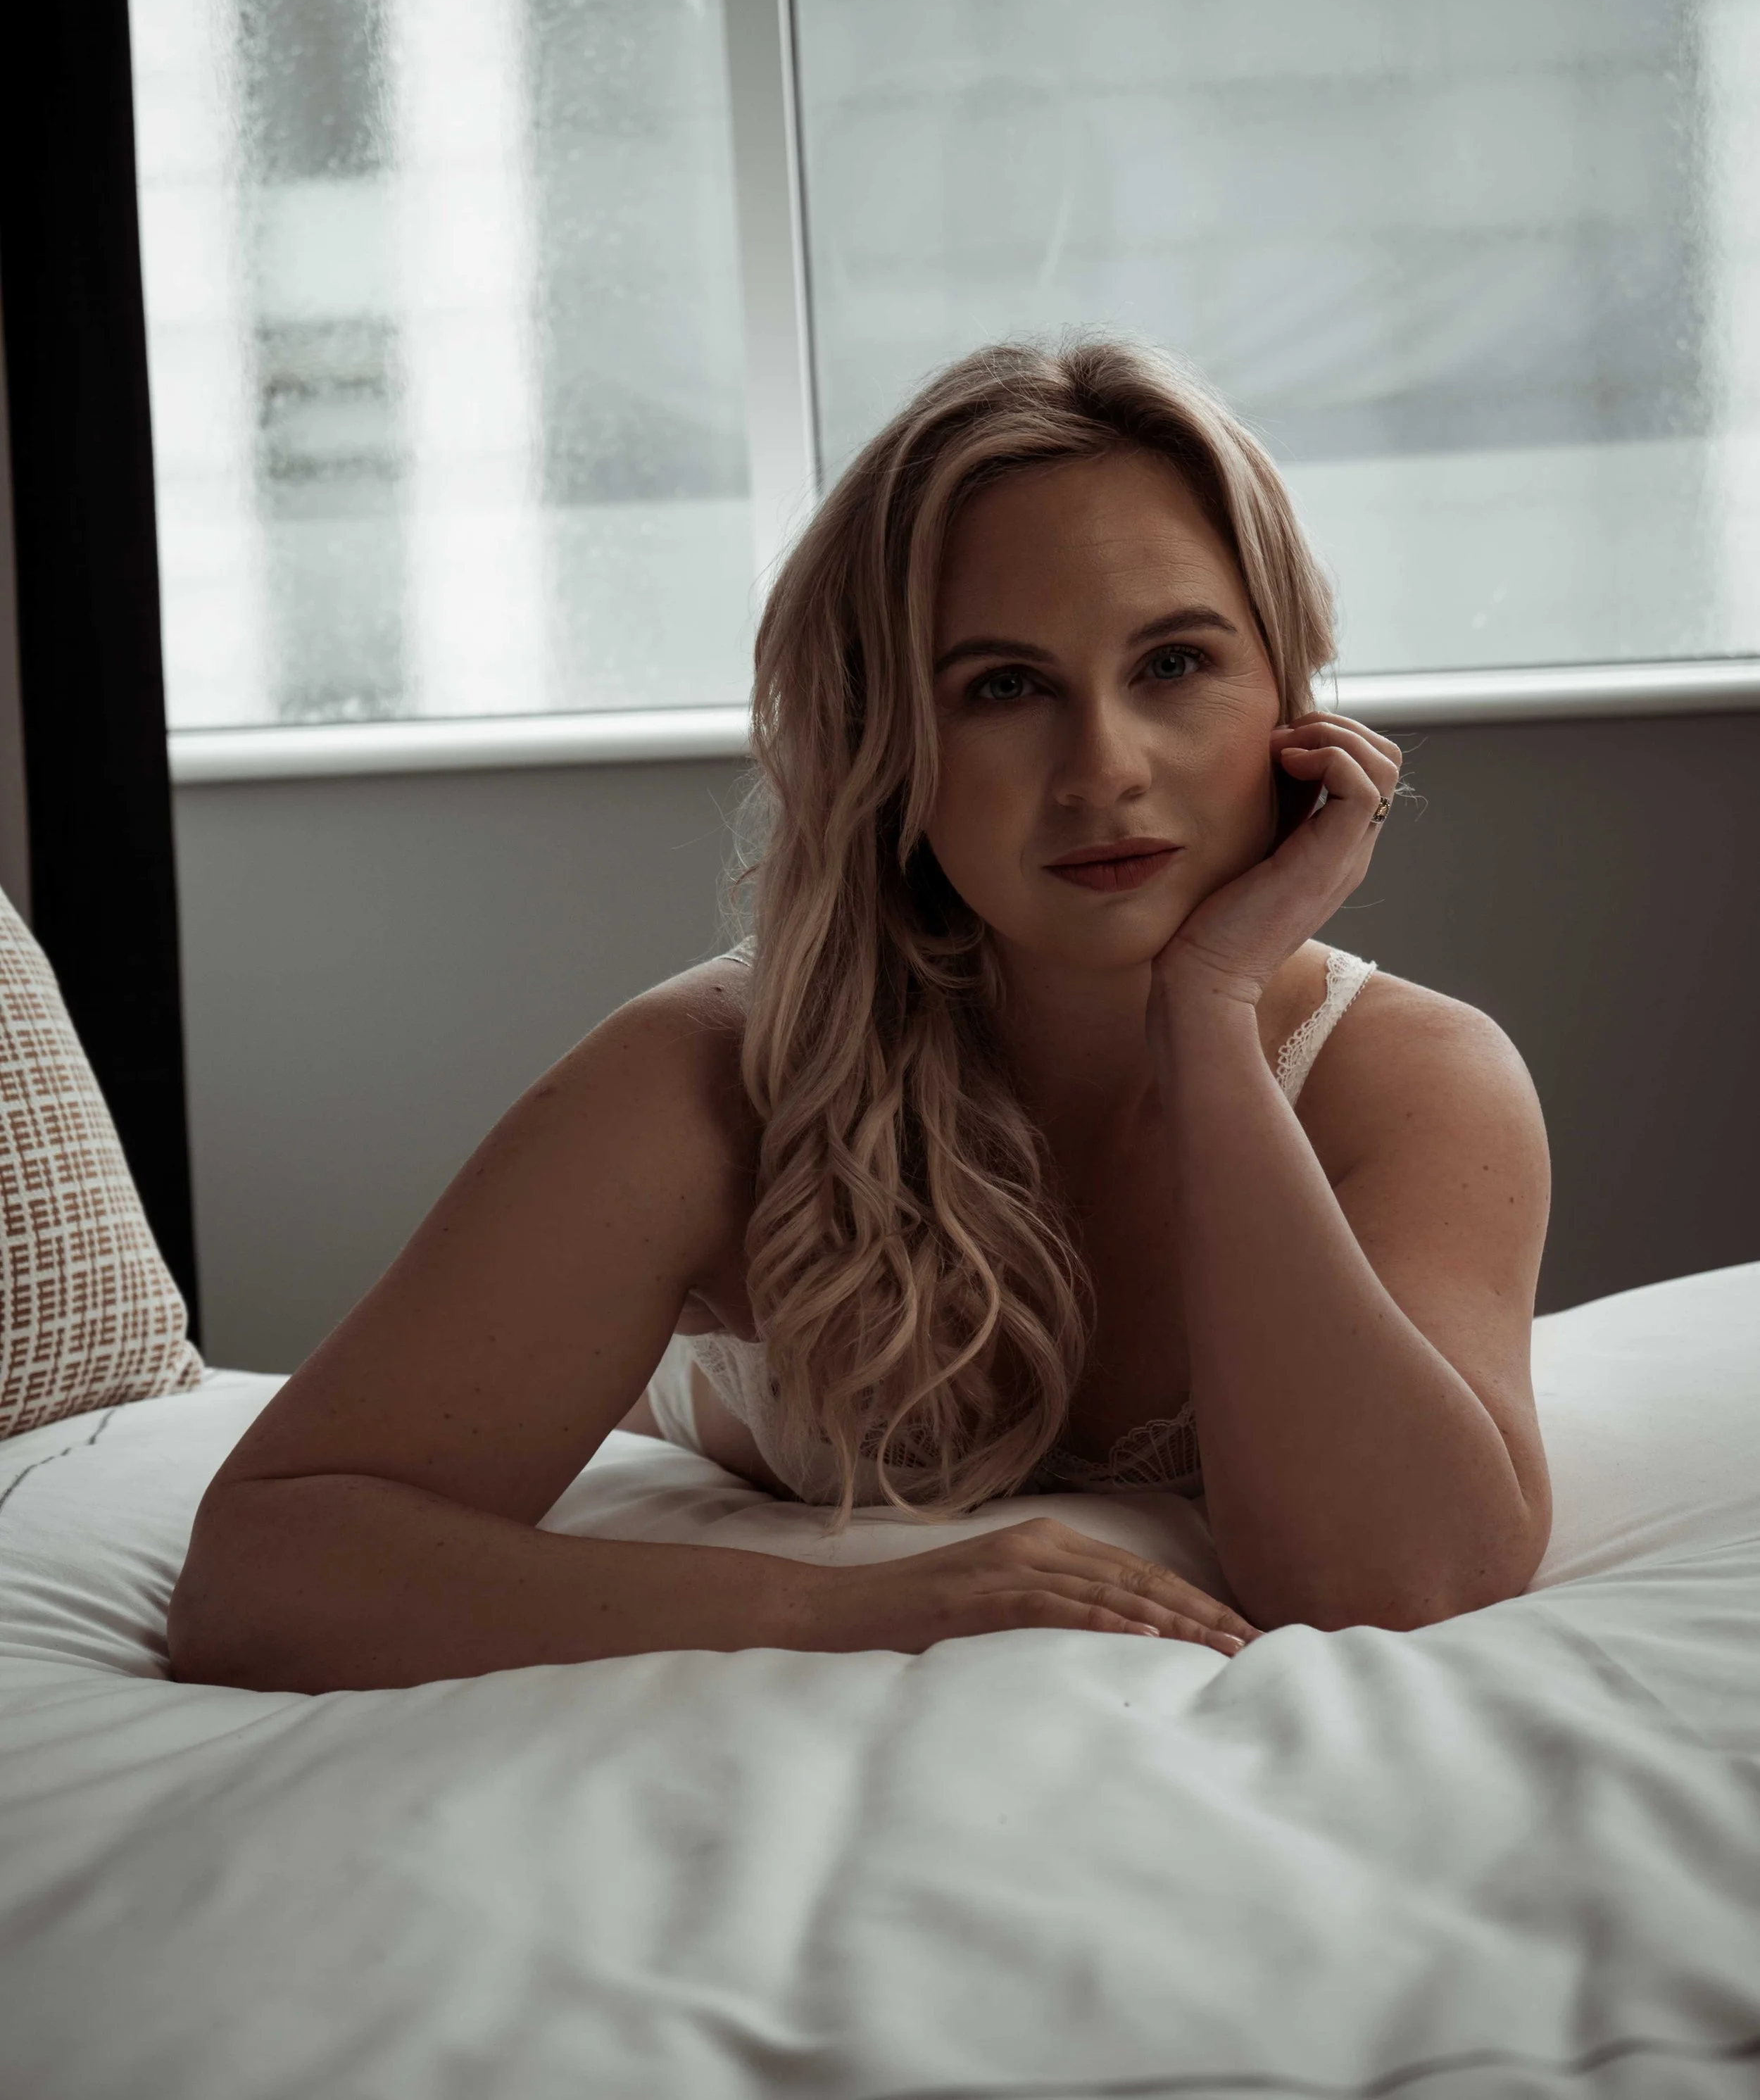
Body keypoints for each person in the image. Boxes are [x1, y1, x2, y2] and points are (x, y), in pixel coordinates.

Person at [169, 338, 1552, 1693]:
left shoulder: (1411, 1077)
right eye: (1002, 687)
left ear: (1289, 694)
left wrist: (1209, 1012)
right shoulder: (711, 1075)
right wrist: (845, 1607)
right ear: (887, 738)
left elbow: (1405, 1583)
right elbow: (263, 1573)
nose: (1103, 770)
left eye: (1174, 664)